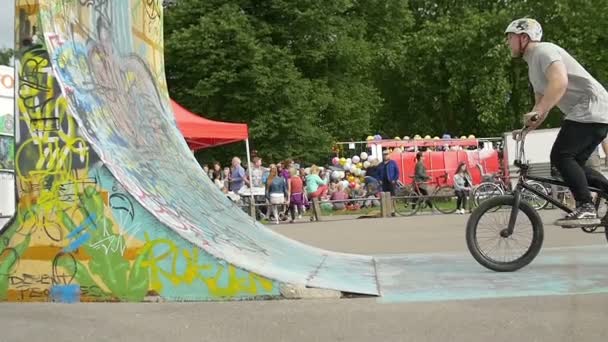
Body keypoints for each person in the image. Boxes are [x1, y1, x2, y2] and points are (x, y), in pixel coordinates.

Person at [506, 18, 608, 226]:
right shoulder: (533, 65)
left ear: (524, 37)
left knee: (561, 156)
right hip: (592, 113)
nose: (508, 42)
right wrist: (527, 128)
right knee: (569, 165)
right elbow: (539, 105)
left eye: (510, 37)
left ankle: (585, 207)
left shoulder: (544, 51)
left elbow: (560, 82)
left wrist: (540, 110)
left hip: (590, 107)